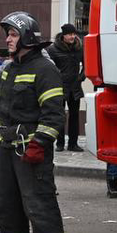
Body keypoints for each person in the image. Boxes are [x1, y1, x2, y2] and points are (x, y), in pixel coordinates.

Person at [0, 11, 67, 233]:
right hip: (8, 148)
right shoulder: (9, 70)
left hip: (32, 150)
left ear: (27, 38)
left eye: (13, 34)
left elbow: (54, 113)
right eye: (8, 34)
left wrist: (39, 143)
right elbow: (1, 108)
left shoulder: (45, 69)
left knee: (39, 201)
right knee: (7, 201)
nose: (8, 39)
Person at [46, 23, 85, 152]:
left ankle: (73, 144)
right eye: (70, 34)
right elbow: (49, 68)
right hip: (59, 87)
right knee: (59, 115)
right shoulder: (53, 49)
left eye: (74, 34)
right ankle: (60, 143)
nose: (72, 36)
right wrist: (55, 80)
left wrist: (81, 77)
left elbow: (87, 65)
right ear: (63, 35)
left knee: (74, 116)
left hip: (75, 87)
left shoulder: (80, 48)